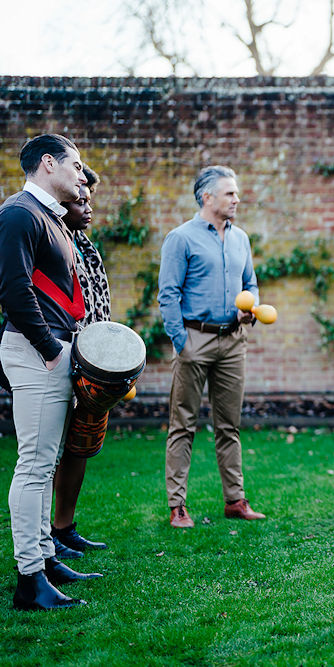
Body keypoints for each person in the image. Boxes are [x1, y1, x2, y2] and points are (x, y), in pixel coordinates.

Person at [0, 134, 101, 611]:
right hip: (36, 351)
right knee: (35, 466)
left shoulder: (50, 218)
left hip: (53, 350)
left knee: (44, 461)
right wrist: (49, 349)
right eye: (75, 166)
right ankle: (29, 580)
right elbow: (13, 289)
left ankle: (46, 558)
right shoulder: (19, 213)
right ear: (47, 164)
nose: (82, 176)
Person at [158, 165, 265, 528]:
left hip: (234, 341)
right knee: (183, 424)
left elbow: (249, 283)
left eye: (236, 193)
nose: (237, 199)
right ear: (207, 197)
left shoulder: (241, 239)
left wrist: (250, 307)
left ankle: (235, 501)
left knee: (229, 426)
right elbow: (168, 294)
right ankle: (177, 506)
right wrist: (181, 342)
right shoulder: (181, 238)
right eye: (230, 193)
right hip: (194, 340)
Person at [49, 165, 112, 561]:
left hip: (93, 361)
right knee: (53, 450)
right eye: (80, 201)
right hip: (62, 356)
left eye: (90, 201)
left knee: (81, 445)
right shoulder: (53, 241)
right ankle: (46, 539)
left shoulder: (86, 245)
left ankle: (64, 528)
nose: (88, 208)